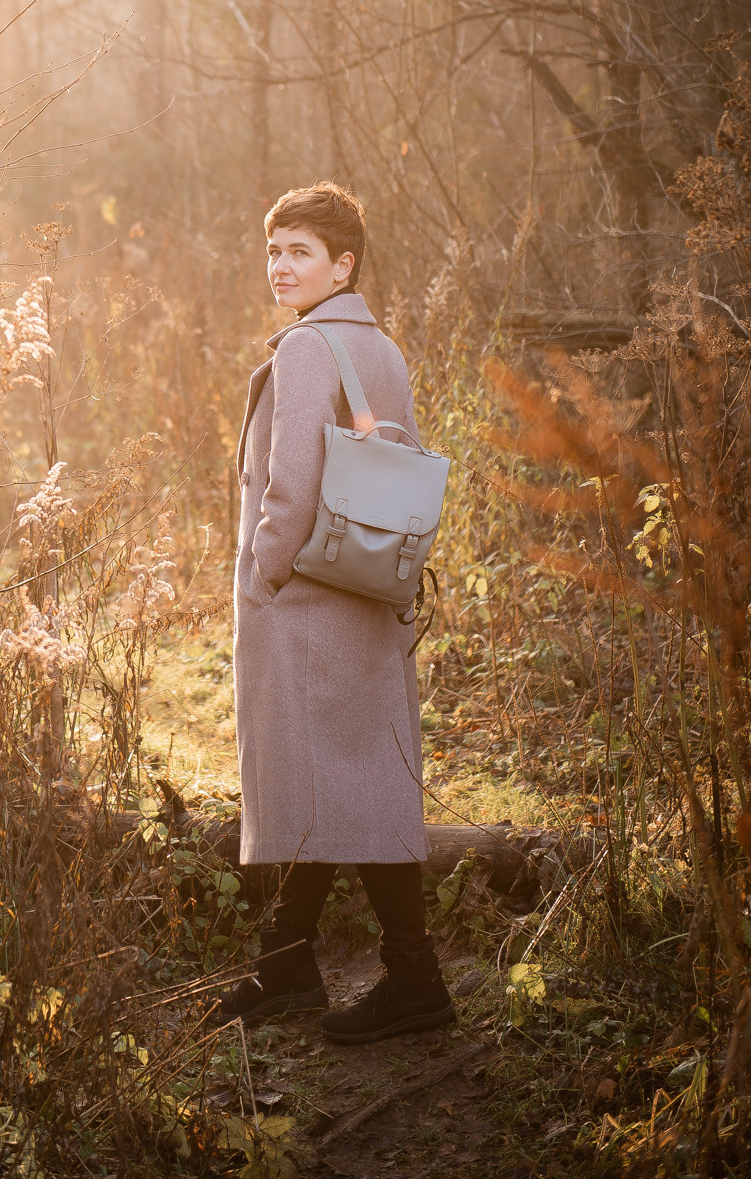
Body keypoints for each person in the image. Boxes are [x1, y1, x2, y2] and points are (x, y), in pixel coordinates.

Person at [215, 180, 454, 1043]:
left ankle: (416, 982)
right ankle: (285, 965)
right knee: (348, 775)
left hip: (308, 597)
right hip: (366, 588)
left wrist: (262, 574)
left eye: (300, 252)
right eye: (275, 250)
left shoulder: (311, 348)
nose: (281, 267)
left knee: (333, 779)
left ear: (342, 263)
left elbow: (290, 485)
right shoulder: (379, 346)